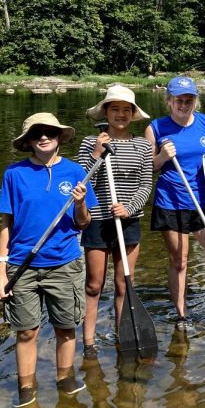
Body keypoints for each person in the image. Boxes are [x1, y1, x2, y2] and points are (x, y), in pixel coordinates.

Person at [0, 113, 98, 408]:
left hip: (65, 264)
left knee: (66, 327)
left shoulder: (76, 172)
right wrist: (0, 271)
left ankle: (65, 378)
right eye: (36, 133)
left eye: (49, 131)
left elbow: (83, 224)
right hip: (21, 266)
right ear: (28, 141)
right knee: (26, 330)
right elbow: (6, 225)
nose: (43, 136)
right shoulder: (14, 174)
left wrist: (79, 203)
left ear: (59, 136)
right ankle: (26, 386)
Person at [78, 85, 153, 358]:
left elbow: (146, 185)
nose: (120, 114)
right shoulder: (90, 142)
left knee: (123, 284)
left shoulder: (143, 145)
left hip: (129, 221)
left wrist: (129, 208)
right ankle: (88, 342)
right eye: (115, 109)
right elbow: (81, 182)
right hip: (97, 219)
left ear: (132, 114)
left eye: (126, 109)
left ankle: (124, 335)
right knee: (94, 285)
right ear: (106, 112)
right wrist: (97, 154)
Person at [145, 76, 205, 328]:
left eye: (189, 100)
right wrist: (162, 157)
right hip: (170, 201)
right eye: (179, 100)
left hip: (203, 202)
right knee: (180, 260)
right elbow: (148, 169)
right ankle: (181, 313)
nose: (184, 104)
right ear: (169, 101)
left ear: (195, 101)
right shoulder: (155, 128)